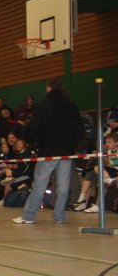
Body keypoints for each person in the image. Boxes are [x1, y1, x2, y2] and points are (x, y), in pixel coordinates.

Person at [12, 78, 84, 224]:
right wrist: (73, 145)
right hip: (66, 151)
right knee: (63, 186)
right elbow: (79, 129)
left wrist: (35, 143)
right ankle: (59, 216)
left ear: (48, 88)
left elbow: (34, 127)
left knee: (40, 185)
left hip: (48, 151)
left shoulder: (42, 105)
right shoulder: (71, 106)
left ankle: (28, 216)